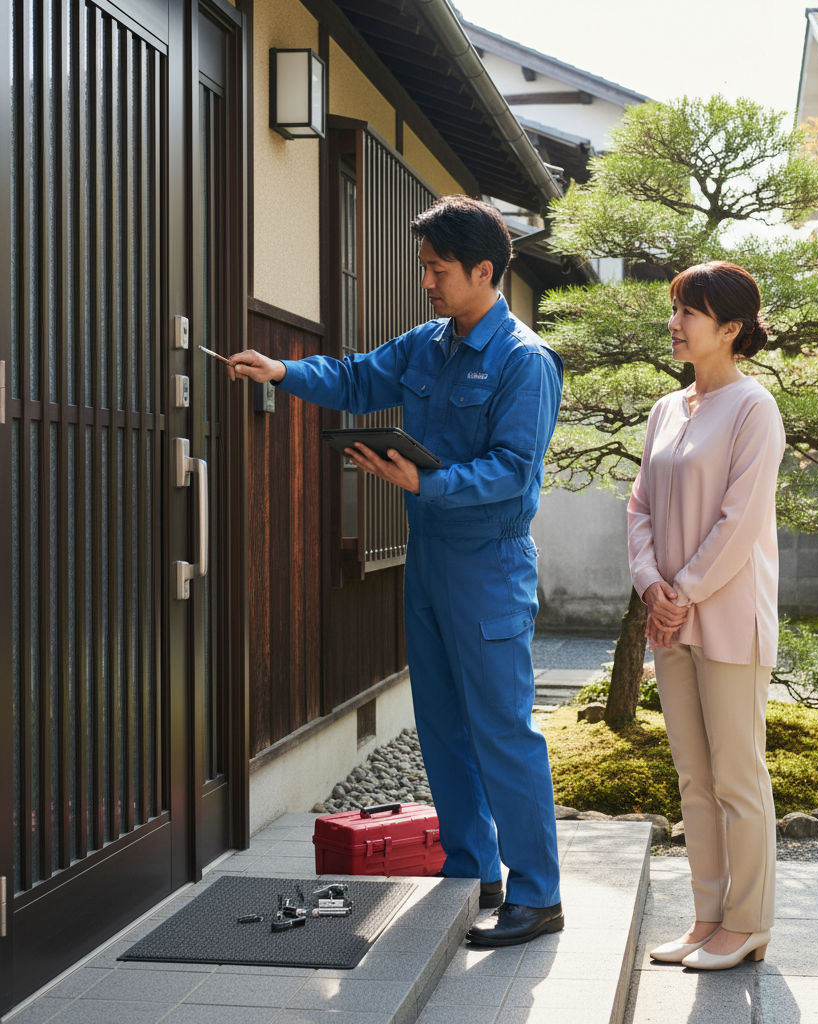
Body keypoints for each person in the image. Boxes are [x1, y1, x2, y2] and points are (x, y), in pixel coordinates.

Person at [228, 196, 565, 947]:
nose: (427, 283)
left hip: (489, 564)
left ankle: (538, 895)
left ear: (484, 271)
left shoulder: (525, 362)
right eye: (424, 268)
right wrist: (281, 369)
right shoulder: (428, 343)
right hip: (430, 561)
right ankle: (471, 874)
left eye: (436, 270)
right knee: (442, 727)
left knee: (502, 731)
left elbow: (516, 470)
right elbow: (354, 378)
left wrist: (425, 484)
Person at [628, 261, 785, 970]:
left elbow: (740, 521)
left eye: (688, 312)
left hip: (725, 619)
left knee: (737, 776)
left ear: (729, 328)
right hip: (670, 618)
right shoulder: (667, 408)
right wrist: (650, 585)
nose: (675, 323)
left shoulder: (755, 408)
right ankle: (706, 917)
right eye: (675, 310)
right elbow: (640, 509)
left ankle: (747, 922)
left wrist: (679, 591)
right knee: (693, 777)